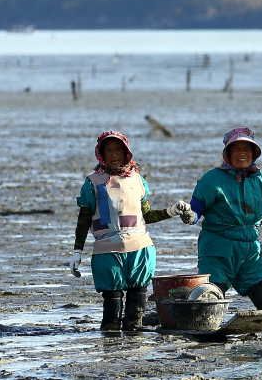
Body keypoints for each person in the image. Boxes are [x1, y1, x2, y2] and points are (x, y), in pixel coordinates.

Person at [71, 131, 195, 332]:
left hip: (140, 248)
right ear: (101, 153)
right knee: (112, 297)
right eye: (108, 150)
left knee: (138, 294)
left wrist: (171, 211)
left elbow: (146, 216)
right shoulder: (93, 182)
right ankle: (110, 340)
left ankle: (134, 339)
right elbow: (84, 219)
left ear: (126, 151)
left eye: (118, 149)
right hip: (107, 250)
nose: (114, 154)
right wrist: (77, 251)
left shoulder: (137, 179)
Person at [188, 127, 262, 311]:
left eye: (246, 149)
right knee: (209, 302)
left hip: (250, 251)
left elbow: (258, 214)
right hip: (219, 249)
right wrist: (190, 215)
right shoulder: (212, 179)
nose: (242, 153)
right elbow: (196, 209)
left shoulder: (260, 180)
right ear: (228, 153)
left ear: (253, 153)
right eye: (236, 149)